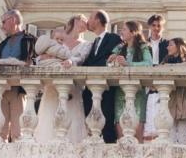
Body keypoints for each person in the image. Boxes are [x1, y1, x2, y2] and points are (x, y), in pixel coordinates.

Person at [35, 14, 91, 143]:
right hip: (52, 87)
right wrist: (44, 58)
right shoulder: (57, 37)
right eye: (84, 21)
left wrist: (71, 61)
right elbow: (40, 56)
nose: (86, 24)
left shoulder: (86, 44)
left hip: (72, 89)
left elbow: (81, 58)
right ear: (76, 21)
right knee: (48, 122)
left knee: (72, 123)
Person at [108, 21, 152, 142]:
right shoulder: (119, 47)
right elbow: (108, 65)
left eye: (124, 29)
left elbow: (148, 65)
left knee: (137, 137)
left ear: (133, 32)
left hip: (137, 93)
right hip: (120, 92)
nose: (121, 32)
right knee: (120, 135)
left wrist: (128, 64)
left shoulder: (143, 47)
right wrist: (111, 60)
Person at [0, 9, 36, 142]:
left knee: (19, 132)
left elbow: (34, 62)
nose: (2, 25)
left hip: (20, 90)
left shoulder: (30, 40)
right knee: (0, 131)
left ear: (13, 20)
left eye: (3, 21)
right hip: (1, 90)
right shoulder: (2, 44)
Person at [82, 10, 122, 143]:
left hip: (106, 89)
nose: (88, 21)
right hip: (90, 90)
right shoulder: (93, 42)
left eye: (90, 18)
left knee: (107, 125)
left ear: (98, 20)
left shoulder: (113, 38)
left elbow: (112, 61)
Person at [163, 37, 186, 143]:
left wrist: (169, 67)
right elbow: (160, 68)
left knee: (183, 131)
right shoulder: (166, 59)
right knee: (170, 130)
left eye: (171, 45)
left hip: (184, 97)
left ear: (178, 46)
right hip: (171, 97)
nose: (168, 47)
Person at [144, 14, 169, 140]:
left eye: (159, 26)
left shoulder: (168, 44)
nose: (156, 28)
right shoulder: (143, 44)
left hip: (162, 84)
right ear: (149, 26)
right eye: (153, 25)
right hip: (146, 84)